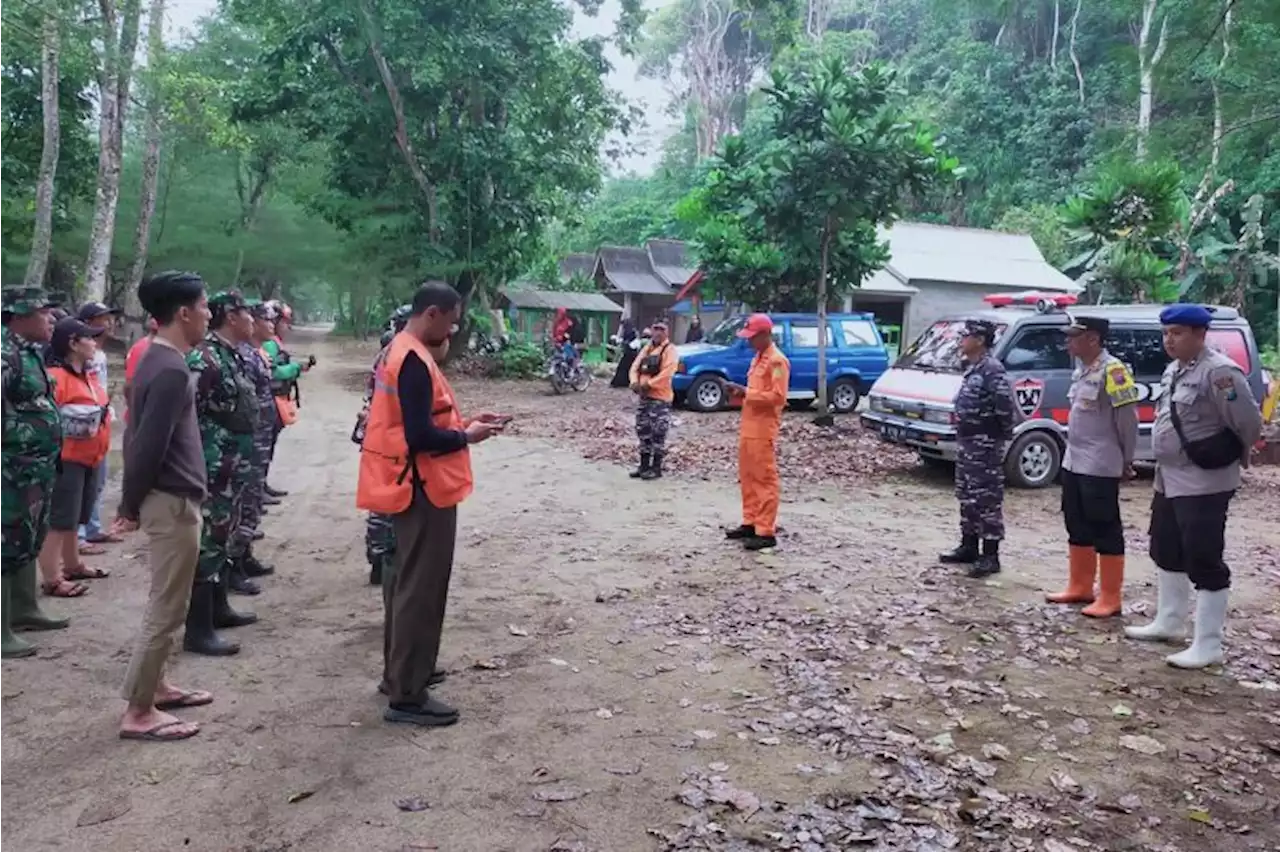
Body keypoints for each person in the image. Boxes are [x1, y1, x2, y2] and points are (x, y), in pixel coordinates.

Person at [357, 281, 506, 727]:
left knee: (405, 582)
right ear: (433, 314)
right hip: (422, 487)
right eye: (453, 317)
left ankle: (404, 672)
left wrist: (466, 422)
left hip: (410, 483)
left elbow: (420, 420)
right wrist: (467, 436)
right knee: (420, 589)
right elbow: (421, 436)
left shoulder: (403, 350)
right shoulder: (413, 360)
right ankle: (407, 694)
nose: (455, 327)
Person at [1125, 304, 1263, 669]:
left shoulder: (1219, 373)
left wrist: (1230, 457)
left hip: (1205, 480)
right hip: (1169, 478)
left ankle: (1208, 644)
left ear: (1200, 335)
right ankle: (1170, 621)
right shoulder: (1175, 370)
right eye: (1166, 333)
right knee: (1166, 547)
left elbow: (1248, 423)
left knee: (1203, 556)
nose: (1169, 340)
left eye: (1178, 333)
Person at [113, 271, 214, 742]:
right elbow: (145, 445)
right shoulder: (170, 369)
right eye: (205, 307)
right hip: (170, 502)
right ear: (183, 313)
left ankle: (157, 685)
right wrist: (129, 505)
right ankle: (139, 710)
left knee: (174, 600)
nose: (209, 315)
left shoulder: (156, 359)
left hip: (175, 497)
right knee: (166, 606)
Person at [1046, 315, 1140, 618]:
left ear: (1093, 339)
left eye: (1074, 336)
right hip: (1074, 458)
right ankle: (1080, 586)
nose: (1067, 342)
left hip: (1101, 461)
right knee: (1076, 521)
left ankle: (1110, 596)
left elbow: (1128, 420)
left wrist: (1127, 459)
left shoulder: (1113, 371)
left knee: (1104, 526)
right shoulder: (1082, 369)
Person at [183, 291, 258, 655]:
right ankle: (197, 629)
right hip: (212, 467)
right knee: (209, 540)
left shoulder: (231, 355)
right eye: (247, 312)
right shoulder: (206, 358)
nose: (252, 319)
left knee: (224, 535)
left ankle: (218, 608)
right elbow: (188, 416)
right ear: (230, 315)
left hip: (231, 464)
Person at [0, 286, 70, 658]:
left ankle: (24, 608)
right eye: (43, 313)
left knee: (26, 535)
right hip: (10, 469)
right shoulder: (4, 354)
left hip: (33, 467)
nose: (50, 319)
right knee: (4, 540)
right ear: (19, 316)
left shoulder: (27, 352)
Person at [38, 317, 113, 598]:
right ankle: (52, 578)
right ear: (72, 343)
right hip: (67, 458)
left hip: (90, 456)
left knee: (75, 516)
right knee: (60, 520)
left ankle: (72, 564)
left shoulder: (88, 376)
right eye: (89, 338)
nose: (94, 343)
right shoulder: (58, 377)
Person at [938, 320, 1016, 578]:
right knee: (967, 495)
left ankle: (990, 555)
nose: (961, 340)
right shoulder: (973, 368)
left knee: (986, 499)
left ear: (980, 340)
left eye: (966, 336)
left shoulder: (992, 369)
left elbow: (1005, 405)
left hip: (985, 443)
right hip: (968, 442)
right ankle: (968, 545)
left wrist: (997, 437)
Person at [354, 304, 412, 587]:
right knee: (387, 502)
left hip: (379, 433)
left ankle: (378, 558)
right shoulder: (398, 355)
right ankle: (382, 558)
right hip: (387, 437)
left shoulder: (389, 352)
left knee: (382, 501)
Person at [723, 314, 790, 552]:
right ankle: (750, 522)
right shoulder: (757, 358)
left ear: (765, 335)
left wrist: (746, 393)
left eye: (752, 337)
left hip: (763, 430)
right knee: (748, 478)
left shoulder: (777, 362)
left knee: (764, 479)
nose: (749, 342)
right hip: (749, 428)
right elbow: (755, 392)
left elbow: (778, 397)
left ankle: (765, 531)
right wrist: (738, 394)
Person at [231, 298, 277, 578]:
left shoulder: (254, 353)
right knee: (244, 499)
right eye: (265, 319)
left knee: (253, 497)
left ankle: (243, 555)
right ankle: (234, 563)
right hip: (248, 440)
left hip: (260, 436)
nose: (270, 324)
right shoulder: (244, 355)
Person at [75, 302, 123, 553]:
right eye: (103, 319)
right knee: (82, 481)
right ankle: (79, 535)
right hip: (83, 424)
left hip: (101, 422)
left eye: (109, 318)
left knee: (99, 479)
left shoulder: (101, 355)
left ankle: (92, 527)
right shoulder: (83, 356)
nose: (110, 323)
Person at [261, 301, 310, 497]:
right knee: (264, 446)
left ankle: (262, 486)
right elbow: (272, 372)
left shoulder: (273, 342)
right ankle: (259, 488)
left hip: (278, 397)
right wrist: (294, 368)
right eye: (284, 322)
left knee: (268, 445)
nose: (286, 327)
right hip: (271, 398)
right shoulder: (270, 344)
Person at [628, 320, 677, 480]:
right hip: (644, 397)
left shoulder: (669, 350)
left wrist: (649, 385)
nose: (657, 332)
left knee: (658, 433)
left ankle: (656, 468)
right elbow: (635, 367)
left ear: (666, 332)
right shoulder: (647, 348)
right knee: (643, 430)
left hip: (660, 399)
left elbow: (667, 372)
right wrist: (634, 382)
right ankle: (643, 466)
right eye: (655, 329)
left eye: (661, 330)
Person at [610, 317, 639, 389]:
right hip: (629, 352)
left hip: (631, 353)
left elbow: (630, 341)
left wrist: (621, 341)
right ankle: (623, 382)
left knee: (624, 368)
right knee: (625, 368)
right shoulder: (628, 331)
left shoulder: (631, 332)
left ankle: (621, 383)